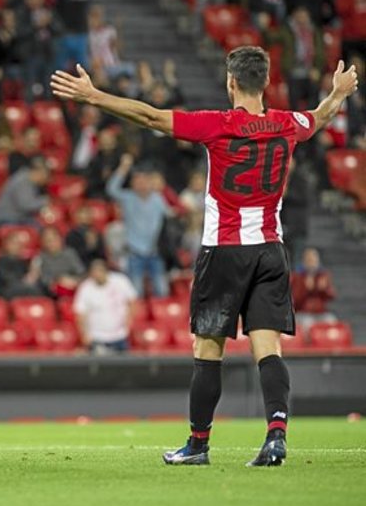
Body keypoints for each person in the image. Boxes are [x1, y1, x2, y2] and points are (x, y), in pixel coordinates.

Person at [51, 46, 358, 466]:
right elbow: (320, 117)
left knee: (208, 348)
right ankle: (276, 436)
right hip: (271, 251)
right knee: (268, 348)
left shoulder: (217, 125)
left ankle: (198, 445)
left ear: (231, 82)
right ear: (266, 82)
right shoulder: (288, 124)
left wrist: (94, 96)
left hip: (225, 250)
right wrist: (338, 92)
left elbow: (151, 117)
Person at [106, 156, 170, 297]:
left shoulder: (158, 199)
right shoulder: (128, 198)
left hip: (155, 251)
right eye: (137, 180)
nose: (141, 183)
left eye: (144, 180)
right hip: (134, 252)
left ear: (150, 181)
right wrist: (123, 168)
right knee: (135, 293)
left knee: (162, 291)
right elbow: (111, 189)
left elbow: (171, 214)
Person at [74, 260, 138, 354]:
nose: (97, 275)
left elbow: (132, 301)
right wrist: (85, 333)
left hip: (120, 335)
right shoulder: (85, 288)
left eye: (99, 272)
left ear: (106, 272)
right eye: (94, 273)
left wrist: (128, 322)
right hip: (97, 337)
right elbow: (81, 313)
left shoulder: (121, 281)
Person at [0, 155, 51, 226]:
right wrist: (45, 200)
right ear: (40, 173)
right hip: (7, 220)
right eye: (46, 175)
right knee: (37, 228)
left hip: (17, 218)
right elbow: (25, 205)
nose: (46, 180)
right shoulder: (23, 180)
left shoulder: (29, 180)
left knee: (41, 226)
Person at [291, 247, 337, 333]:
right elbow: (295, 299)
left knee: (331, 321)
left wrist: (324, 289)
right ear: (304, 261)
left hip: (320, 312)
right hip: (303, 312)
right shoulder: (297, 276)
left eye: (314, 260)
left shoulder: (323, 275)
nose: (312, 263)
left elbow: (331, 296)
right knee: (308, 324)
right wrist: (305, 288)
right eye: (309, 260)